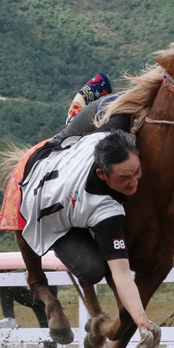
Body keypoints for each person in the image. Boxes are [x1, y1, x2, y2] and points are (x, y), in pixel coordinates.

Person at [17, 127, 154, 333]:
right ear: (102, 174)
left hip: (68, 186)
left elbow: (122, 274)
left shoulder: (103, 136)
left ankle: (95, 313)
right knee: (92, 270)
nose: (134, 183)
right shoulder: (106, 211)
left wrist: (142, 321)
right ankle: (47, 299)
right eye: (124, 177)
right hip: (44, 210)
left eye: (137, 172)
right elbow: (123, 275)